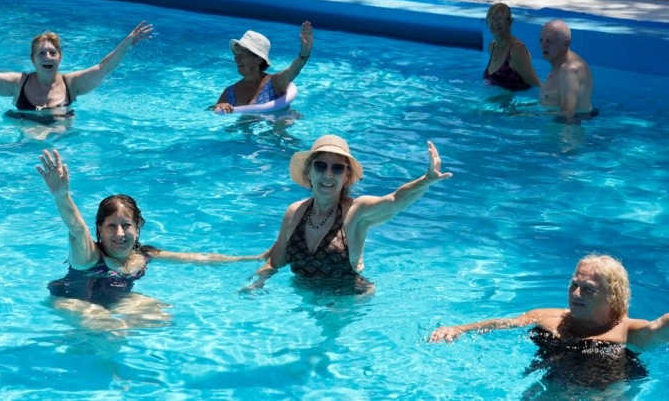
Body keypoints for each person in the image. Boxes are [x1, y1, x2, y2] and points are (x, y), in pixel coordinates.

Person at [37, 149, 263, 318]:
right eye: (111, 226)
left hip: (108, 304)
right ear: (99, 229)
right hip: (71, 303)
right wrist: (61, 195)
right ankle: (109, 369)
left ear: (138, 227)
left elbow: (197, 258)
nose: (119, 233)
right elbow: (77, 229)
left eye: (126, 225)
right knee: (110, 328)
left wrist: (252, 258)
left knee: (161, 315)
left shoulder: (143, 254)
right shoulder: (89, 256)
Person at [243, 135, 451, 294]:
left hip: (348, 300)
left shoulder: (356, 212)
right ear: (309, 172)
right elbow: (275, 262)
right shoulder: (294, 212)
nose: (327, 174)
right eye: (321, 165)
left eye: (337, 168)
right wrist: (256, 283)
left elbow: (395, 201)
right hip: (304, 295)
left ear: (346, 175)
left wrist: (426, 180)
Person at [429, 255, 669, 386]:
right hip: (549, 381)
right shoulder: (549, 317)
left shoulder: (628, 332)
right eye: (574, 285)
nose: (575, 294)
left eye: (588, 289)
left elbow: (660, 327)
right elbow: (506, 323)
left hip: (600, 392)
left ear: (613, 296)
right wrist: (460, 328)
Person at [0, 21, 153, 124]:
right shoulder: (18, 83)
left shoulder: (71, 84)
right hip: (27, 144)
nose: (47, 57)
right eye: (41, 53)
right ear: (33, 60)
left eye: (52, 52)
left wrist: (127, 44)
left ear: (60, 57)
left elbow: (103, 68)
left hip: (60, 142)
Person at [212, 21, 313, 114]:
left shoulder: (275, 83)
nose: (236, 59)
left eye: (242, 55)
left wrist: (304, 54)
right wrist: (220, 105)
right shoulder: (230, 92)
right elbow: (212, 111)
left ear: (259, 60)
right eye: (236, 55)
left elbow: (293, 70)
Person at [539, 20, 596, 123]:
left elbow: (567, 113)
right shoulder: (558, 64)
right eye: (541, 40)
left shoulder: (569, 71)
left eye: (549, 41)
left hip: (566, 131)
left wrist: (526, 115)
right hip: (560, 124)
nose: (543, 45)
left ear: (566, 43)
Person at [482, 3, 540, 90]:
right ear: (487, 22)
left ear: (510, 22)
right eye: (492, 18)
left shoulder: (516, 50)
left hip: (515, 102)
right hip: (495, 102)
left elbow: (536, 85)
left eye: (500, 18)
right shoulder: (492, 47)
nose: (495, 23)